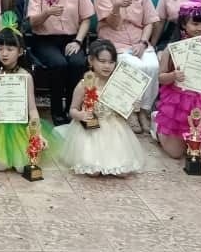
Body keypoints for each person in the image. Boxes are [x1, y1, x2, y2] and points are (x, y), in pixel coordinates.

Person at [54, 40, 147, 176]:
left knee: (123, 171)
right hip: (90, 130)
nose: (107, 66)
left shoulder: (118, 84)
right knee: (93, 171)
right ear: (91, 61)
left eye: (111, 62)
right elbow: (72, 110)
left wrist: (132, 106)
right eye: (102, 61)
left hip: (114, 129)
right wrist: (80, 115)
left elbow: (122, 111)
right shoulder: (84, 84)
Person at [93, 0, 160, 134]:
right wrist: (116, 7)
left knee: (153, 66)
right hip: (114, 41)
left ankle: (144, 111)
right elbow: (112, 24)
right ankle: (130, 111)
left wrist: (143, 42)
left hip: (139, 41)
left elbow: (149, 21)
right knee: (135, 66)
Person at [27, 0, 95, 125]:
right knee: (59, 64)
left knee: (78, 63)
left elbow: (87, 18)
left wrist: (78, 41)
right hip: (44, 40)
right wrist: (47, 13)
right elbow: (32, 22)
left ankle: (72, 109)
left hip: (72, 39)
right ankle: (57, 111)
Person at [154, 0, 201, 160]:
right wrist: (173, 75)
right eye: (195, 24)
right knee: (175, 153)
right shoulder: (173, 49)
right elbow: (161, 78)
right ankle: (157, 128)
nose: (200, 28)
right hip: (179, 102)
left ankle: (190, 138)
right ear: (183, 24)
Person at [0, 27, 53, 173]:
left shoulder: (26, 76)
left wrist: (37, 133)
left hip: (20, 123)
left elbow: (32, 109)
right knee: (0, 165)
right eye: (0, 49)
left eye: (10, 49)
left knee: (22, 166)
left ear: (20, 51)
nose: (4, 53)